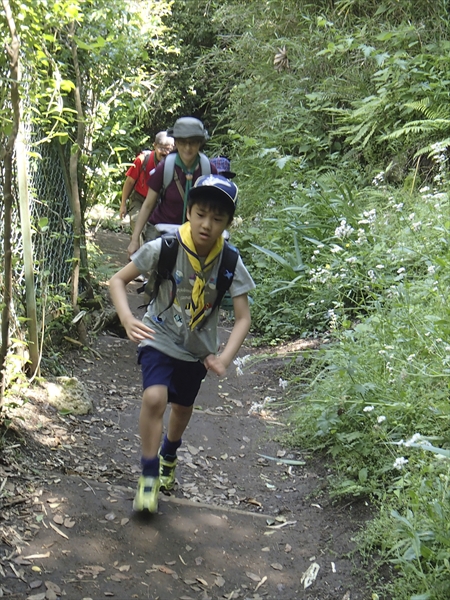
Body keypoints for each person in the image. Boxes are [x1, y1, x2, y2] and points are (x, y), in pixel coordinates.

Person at [109, 175, 255, 513]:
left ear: (228, 223)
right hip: (158, 336)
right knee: (155, 396)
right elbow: (118, 280)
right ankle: (148, 476)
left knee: (183, 407)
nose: (207, 224)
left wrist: (223, 357)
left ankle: (169, 453)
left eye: (218, 218)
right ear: (189, 211)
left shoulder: (230, 262)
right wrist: (128, 319)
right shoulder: (167, 247)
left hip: (197, 349)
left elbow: (243, 317)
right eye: (201, 213)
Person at [127, 117, 217, 257]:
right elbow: (148, 204)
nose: (187, 148)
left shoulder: (208, 169)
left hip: (195, 237)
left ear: (200, 143)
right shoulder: (166, 167)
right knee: (159, 273)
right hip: (163, 231)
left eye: (192, 142)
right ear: (176, 142)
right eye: (182, 142)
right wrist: (134, 239)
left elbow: (217, 208)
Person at [119, 131, 174, 241]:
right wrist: (123, 204)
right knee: (138, 229)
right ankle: (136, 253)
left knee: (152, 237)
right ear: (154, 146)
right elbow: (129, 182)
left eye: (168, 149)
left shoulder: (173, 165)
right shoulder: (143, 159)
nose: (165, 152)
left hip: (158, 204)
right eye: (162, 148)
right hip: (139, 200)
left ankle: (143, 255)